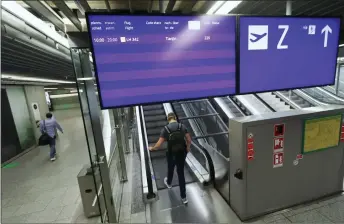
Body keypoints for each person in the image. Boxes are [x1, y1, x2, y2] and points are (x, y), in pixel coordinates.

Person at [149, 112, 191, 204]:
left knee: (171, 168)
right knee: (181, 173)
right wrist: (187, 148)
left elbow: (158, 145)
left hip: (171, 153)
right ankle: (184, 198)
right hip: (182, 152)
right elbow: (188, 139)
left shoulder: (166, 129)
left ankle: (169, 183)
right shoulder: (182, 126)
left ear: (168, 119)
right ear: (175, 118)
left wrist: (152, 148)